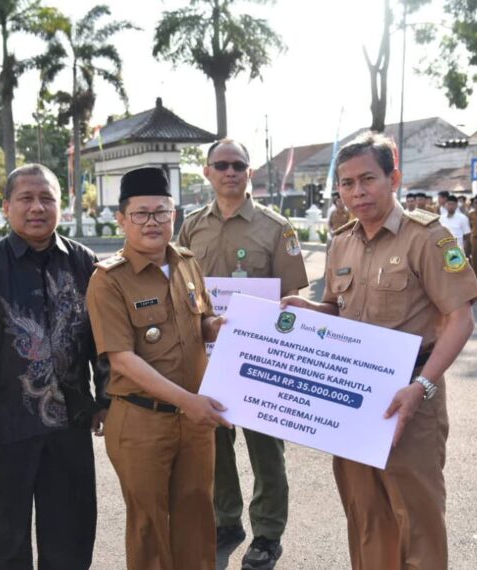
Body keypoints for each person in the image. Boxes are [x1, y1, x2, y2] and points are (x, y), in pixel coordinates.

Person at [282, 133, 477, 570]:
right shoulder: (341, 242)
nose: (357, 192)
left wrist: (423, 386)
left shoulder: (428, 238)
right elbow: (338, 309)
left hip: (410, 394)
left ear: (394, 178)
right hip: (351, 398)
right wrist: (310, 309)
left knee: (417, 518)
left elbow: (461, 319)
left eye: (367, 179)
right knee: (366, 513)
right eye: (346, 183)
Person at [0, 164, 108, 570]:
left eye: (47, 198)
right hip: (5, 429)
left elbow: (104, 340)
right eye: (26, 198)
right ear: (6, 206)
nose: (37, 207)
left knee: (70, 537)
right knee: (7, 541)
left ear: (61, 206)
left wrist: (105, 399)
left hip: (70, 425)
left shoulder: (85, 264)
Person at [86, 167, 229, 570]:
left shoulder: (186, 262)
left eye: (161, 213)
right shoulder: (107, 280)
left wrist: (218, 326)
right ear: (121, 218)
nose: (152, 223)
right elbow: (122, 360)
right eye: (141, 214)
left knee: (197, 518)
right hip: (141, 422)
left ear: (175, 215)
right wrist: (189, 402)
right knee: (150, 528)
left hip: (195, 421)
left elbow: (200, 323)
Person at [177, 139, 309, 570]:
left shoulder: (276, 227)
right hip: (207, 356)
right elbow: (178, 287)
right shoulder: (192, 226)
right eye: (222, 165)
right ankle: (226, 519)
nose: (230, 172)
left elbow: (293, 296)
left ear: (249, 172)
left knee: (266, 448)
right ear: (208, 171)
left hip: (260, 358)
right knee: (213, 442)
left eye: (238, 165)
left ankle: (268, 533)